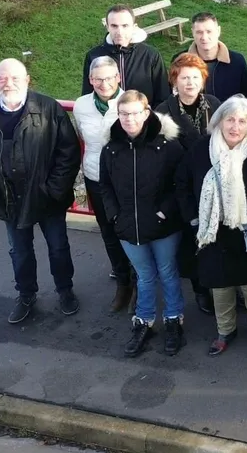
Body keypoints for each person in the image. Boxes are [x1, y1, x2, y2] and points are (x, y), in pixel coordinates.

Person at [0, 58, 81, 324]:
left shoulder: (49, 109)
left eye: (14, 77)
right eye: (2, 78)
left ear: (27, 80)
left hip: (47, 196)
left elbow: (68, 152)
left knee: (58, 247)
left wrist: (54, 189)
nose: (8, 83)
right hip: (8, 199)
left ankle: (65, 290)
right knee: (20, 251)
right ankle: (26, 295)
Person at [177, 96, 247, 361]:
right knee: (220, 288)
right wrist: (194, 219)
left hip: (246, 231)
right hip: (212, 233)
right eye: (230, 119)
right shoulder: (200, 149)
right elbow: (182, 183)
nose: (235, 126)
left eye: (242, 121)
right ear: (219, 121)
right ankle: (225, 331)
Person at [99, 91, 186, 357]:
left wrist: (164, 212)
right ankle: (144, 321)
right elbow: (105, 186)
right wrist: (115, 215)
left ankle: (174, 320)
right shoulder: (111, 149)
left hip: (162, 226)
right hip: (128, 226)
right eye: (123, 114)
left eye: (135, 113)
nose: (129, 119)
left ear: (147, 113)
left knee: (168, 272)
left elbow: (180, 184)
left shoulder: (168, 146)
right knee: (145, 276)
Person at [154, 53, 221, 316]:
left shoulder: (215, 105)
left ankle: (222, 284)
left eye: (195, 77)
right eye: (184, 77)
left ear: (203, 80)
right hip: (181, 186)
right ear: (175, 81)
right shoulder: (163, 111)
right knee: (192, 241)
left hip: (212, 183)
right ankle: (201, 289)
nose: (190, 82)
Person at [73, 56, 133, 312]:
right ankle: (123, 283)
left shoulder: (132, 101)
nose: (104, 83)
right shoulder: (81, 105)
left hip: (126, 179)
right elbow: (80, 136)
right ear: (90, 80)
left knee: (132, 231)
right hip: (95, 177)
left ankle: (140, 283)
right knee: (108, 232)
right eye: (98, 78)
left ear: (118, 78)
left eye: (109, 77)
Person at [82, 4, 169, 105]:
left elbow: (163, 96)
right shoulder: (94, 56)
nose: (119, 31)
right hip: (106, 119)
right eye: (114, 26)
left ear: (134, 27)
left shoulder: (151, 55)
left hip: (144, 118)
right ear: (107, 27)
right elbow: (88, 96)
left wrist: (151, 119)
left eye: (125, 26)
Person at [178, 12, 247, 101]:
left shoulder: (237, 61)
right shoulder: (181, 61)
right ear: (193, 33)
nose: (204, 37)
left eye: (209, 31)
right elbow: (173, 97)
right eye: (199, 32)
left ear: (218, 31)